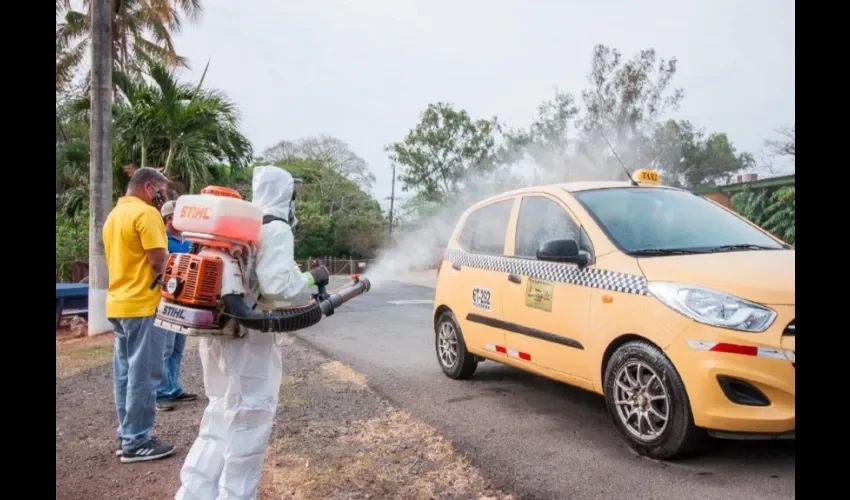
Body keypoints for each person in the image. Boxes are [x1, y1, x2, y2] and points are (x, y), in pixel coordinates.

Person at [176, 166, 327, 500]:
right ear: (286, 195)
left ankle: (193, 493)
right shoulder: (275, 227)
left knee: (218, 413)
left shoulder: (240, 224)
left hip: (217, 329)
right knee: (250, 417)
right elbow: (278, 288)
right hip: (249, 336)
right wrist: (309, 281)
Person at [102, 166, 176, 463]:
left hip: (118, 304)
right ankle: (137, 440)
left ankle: (127, 435)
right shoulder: (146, 214)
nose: (164, 196)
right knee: (145, 374)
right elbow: (158, 261)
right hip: (144, 304)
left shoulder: (114, 216)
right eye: (162, 191)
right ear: (148, 188)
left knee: (125, 374)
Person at [154, 200, 197, 412]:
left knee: (178, 347)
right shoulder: (161, 239)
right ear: (169, 218)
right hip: (167, 299)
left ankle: (173, 388)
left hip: (185, 300)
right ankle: (160, 392)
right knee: (165, 347)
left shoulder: (188, 241)